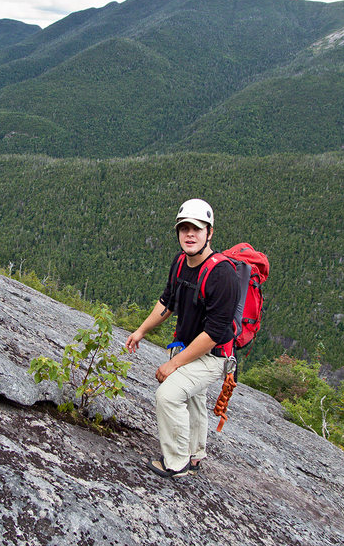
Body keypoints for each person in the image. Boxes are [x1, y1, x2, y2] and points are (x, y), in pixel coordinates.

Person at [126, 198, 239, 478]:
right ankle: (196, 454)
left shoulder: (223, 275)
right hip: (188, 348)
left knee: (168, 396)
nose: (189, 234)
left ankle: (176, 463)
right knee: (194, 400)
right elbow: (167, 302)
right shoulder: (180, 263)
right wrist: (141, 330)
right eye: (184, 228)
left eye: (197, 229)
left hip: (213, 356)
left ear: (209, 233)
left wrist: (173, 365)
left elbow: (213, 335)